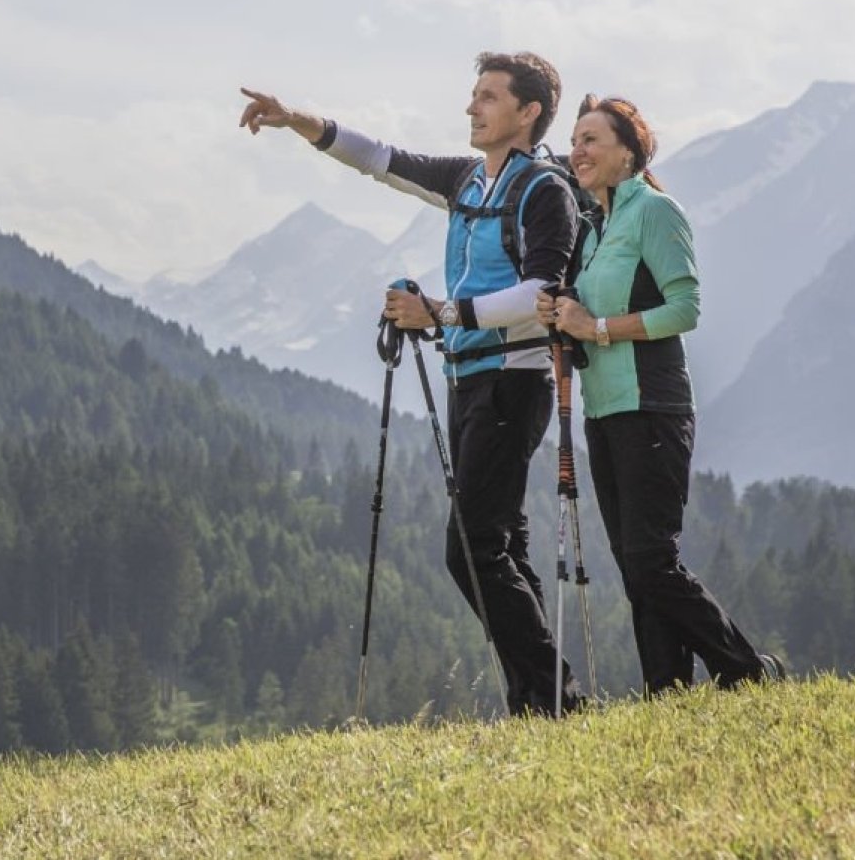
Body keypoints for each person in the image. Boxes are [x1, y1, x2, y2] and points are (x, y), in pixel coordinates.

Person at [239, 52, 583, 716]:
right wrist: (294, 119)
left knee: (470, 549)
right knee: (502, 543)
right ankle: (540, 701)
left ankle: (555, 691)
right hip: (468, 375)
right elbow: (380, 157)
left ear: (528, 112)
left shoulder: (546, 191)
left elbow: (544, 290)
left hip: (516, 379)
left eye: (487, 96)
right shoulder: (466, 180)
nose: (471, 107)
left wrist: (442, 314)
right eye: (473, 94)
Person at [536, 94, 783, 696]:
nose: (578, 150)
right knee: (634, 564)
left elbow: (685, 309)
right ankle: (666, 691)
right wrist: (563, 316)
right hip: (604, 409)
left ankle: (748, 670)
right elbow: (588, 312)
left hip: (654, 406)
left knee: (652, 558)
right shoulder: (593, 227)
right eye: (576, 140)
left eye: (592, 139)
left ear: (629, 151)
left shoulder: (655, 211)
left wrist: (593, 327)